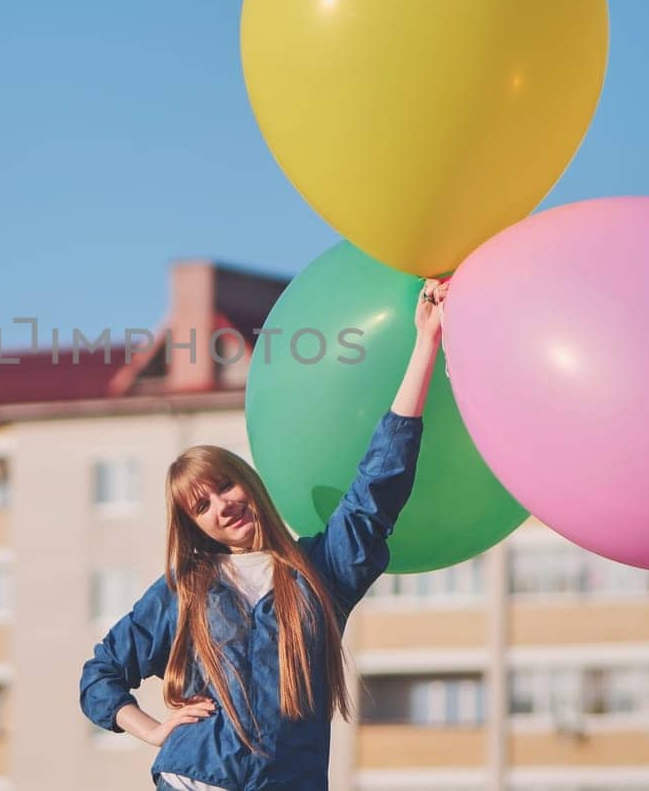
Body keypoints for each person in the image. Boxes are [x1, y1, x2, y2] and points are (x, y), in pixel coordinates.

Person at [79, 279, 448, 790]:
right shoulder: (186, 589)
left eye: (225, 486)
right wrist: (154, 731)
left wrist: (426, 343)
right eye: (201, 506)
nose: (222, 506)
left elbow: (378, 485)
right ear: (195, 526)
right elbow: (101, 675)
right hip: (197, 778)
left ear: (247, 482)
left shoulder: (320, 571)